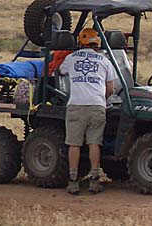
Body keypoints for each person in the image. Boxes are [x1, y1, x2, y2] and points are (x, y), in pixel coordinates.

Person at [58, 28, 117, 194]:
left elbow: (61, 71)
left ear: (80, 42)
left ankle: (73, 180)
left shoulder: (71, 58)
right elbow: (111, 88)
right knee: (94, 143)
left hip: (76, 105)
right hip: (97, 106)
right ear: (97, 43)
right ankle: (94, 180)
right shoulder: (105, 60)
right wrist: (100, 98)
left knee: (74, 144)